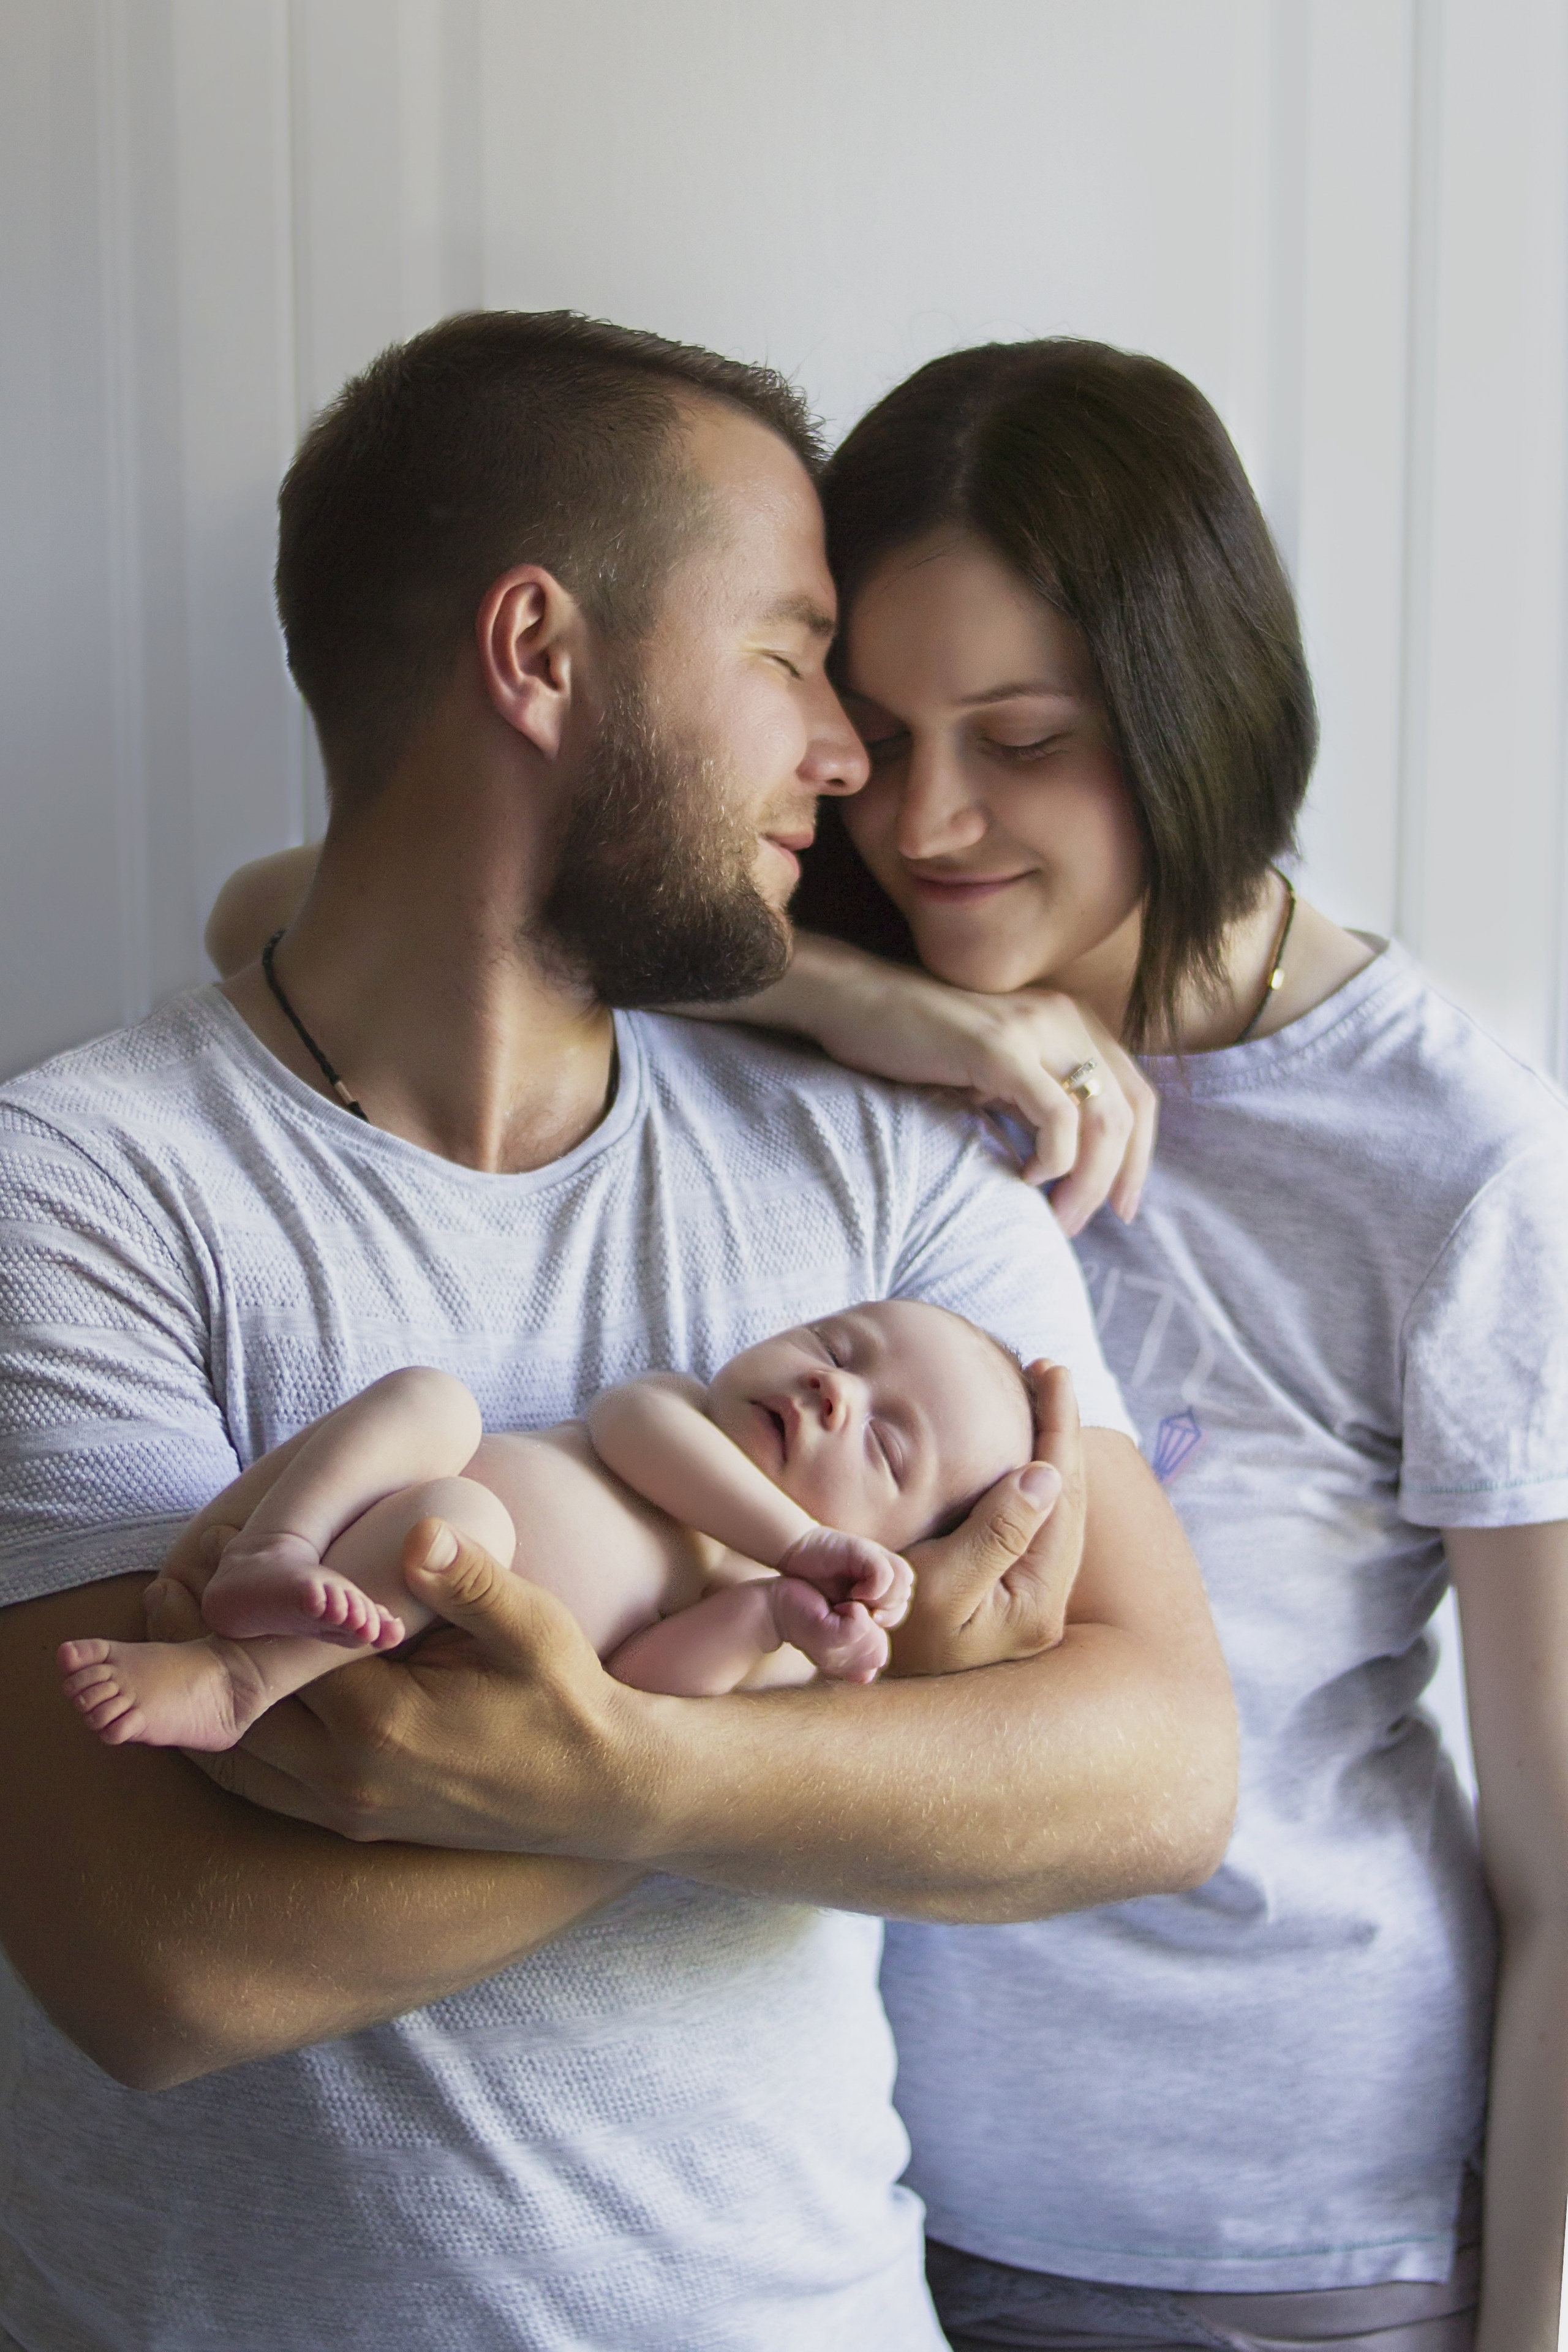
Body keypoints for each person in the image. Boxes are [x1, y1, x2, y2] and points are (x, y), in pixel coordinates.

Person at [0, 312, 1236, 2352]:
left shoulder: (900, 1182)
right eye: (791, 655)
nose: (847, 758)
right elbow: (169, 1964)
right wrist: (852, 1723)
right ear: (540, 654)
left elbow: (1157, 1770)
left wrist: (626, 1768)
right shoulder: (80, 1191)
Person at [655, 338, 1566, 2351]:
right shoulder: (841, 1012)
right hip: (840, 2208)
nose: (930, 817)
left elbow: (1564, 1871)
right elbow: (291, 928)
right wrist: (864, 1003)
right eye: (878, 733)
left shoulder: (1451, 1161)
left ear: (1190, 710)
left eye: (1024, 734)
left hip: (1286, 2242)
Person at [58, 1298, 1049, 1747]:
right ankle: (274, 1547)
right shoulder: (678, 1410)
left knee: (463, 1519)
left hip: (432, 1602)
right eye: (837, 1344)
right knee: (433, 1400)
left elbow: (643, 1689)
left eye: (885, 1446)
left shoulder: (775, 1610)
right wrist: (795, 1541)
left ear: (897, 1556)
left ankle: (239, 1681)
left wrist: (767, 1617)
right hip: (338, 1520)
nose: (836, 1388)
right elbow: (627, 1431)